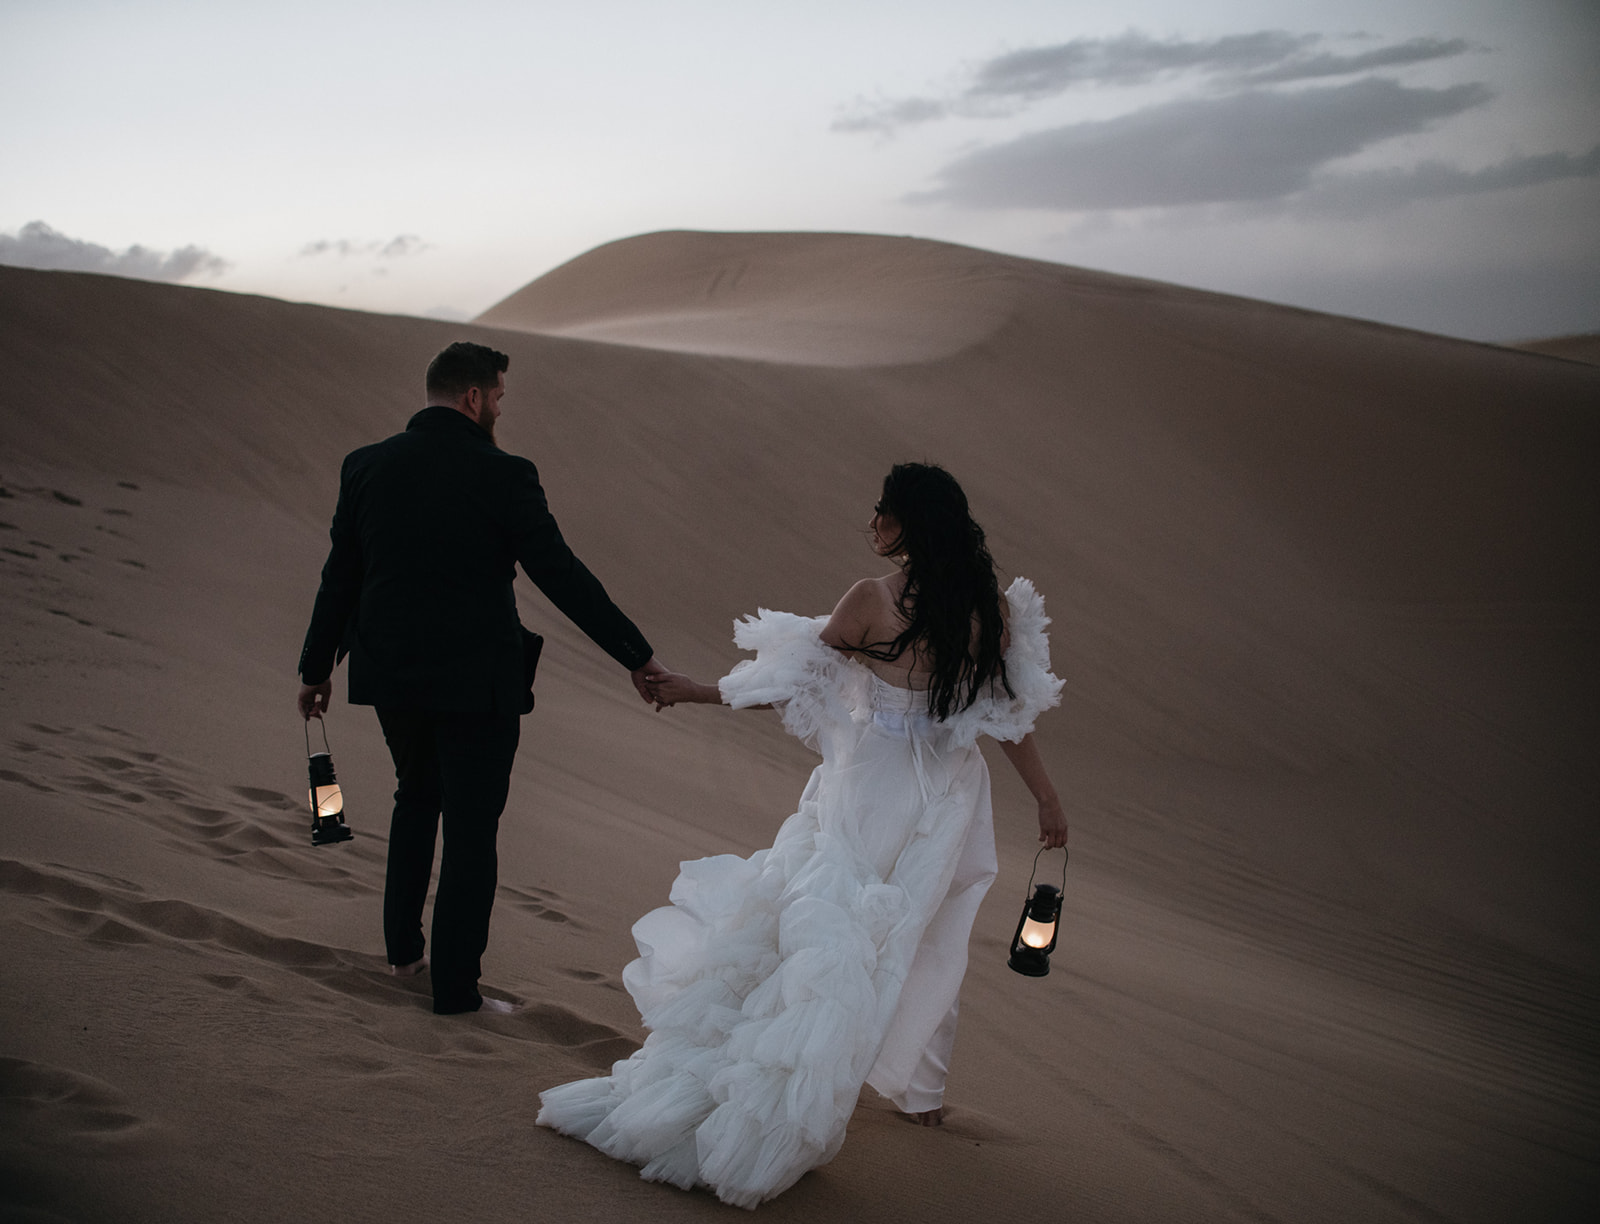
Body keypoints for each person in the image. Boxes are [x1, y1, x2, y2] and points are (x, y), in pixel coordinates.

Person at [537, 462, 1066, 1208]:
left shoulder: (871, 600)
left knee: (830, 933)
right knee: (924, 932)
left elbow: (795, 679)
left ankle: (811, 1080)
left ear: (909, 523)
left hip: (868, 787)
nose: (873, 523)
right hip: (945, 792)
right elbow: (1007, 720)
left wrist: (696, 690)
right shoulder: (986, 610)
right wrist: (1046, 798)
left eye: (883, 510)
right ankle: (918, 1093)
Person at [296, 341, 665, 1015]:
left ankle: (405, 955)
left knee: (416, 797)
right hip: (476, 681)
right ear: (473, 398)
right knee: (471, 828)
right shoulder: (505, 474)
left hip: (393, 674)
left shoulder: (366, 466)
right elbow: (560, 574)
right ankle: (456, 993)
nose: (498, 407)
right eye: (497, 397)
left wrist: (316, 669)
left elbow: (341, 575)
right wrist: (635, 655)